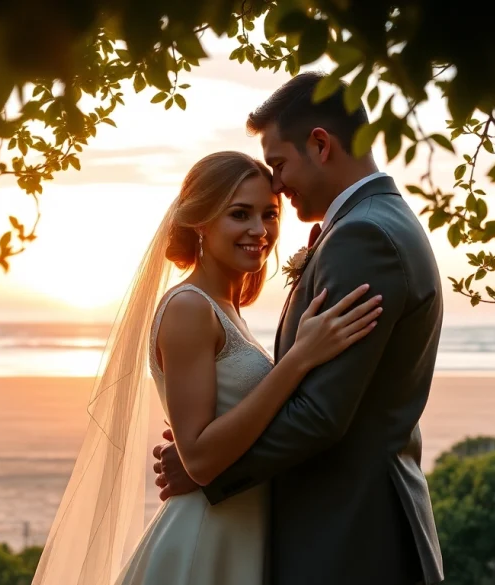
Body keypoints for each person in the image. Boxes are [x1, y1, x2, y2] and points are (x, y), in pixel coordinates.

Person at [30, 150, 382, 585]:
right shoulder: (188, 309)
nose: (259, 230)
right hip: (204, 536)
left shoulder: (228, 309)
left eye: (269, 215)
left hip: (239, 531)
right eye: (240, 214)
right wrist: (299, 359)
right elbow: (197, 458)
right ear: (201, 221)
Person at [154, 72, 445, 585]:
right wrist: (205, 458)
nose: (278, 183)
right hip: (340, 528)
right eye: (241, 213)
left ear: (320, 144)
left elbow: (320, 415)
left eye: (279, 164)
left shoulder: (363, 236)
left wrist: (208, 472)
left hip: (350, 536)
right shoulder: (376, 222)